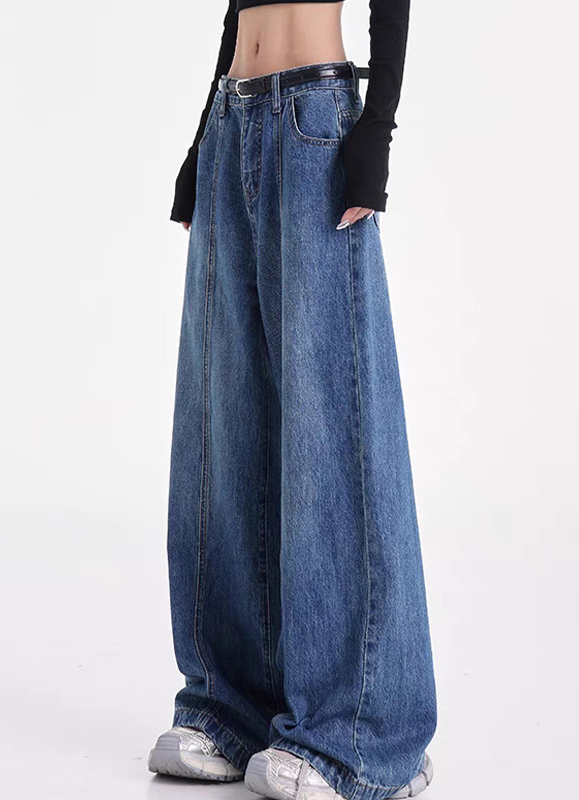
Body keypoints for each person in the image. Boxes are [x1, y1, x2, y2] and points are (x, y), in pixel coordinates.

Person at [148, 2, 437, 799]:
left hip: (316, 123)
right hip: (231, 121)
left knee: (332, 436)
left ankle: (365, 736)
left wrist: (376, 130)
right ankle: (230, 708)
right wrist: (201, 136)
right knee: (222, 428)